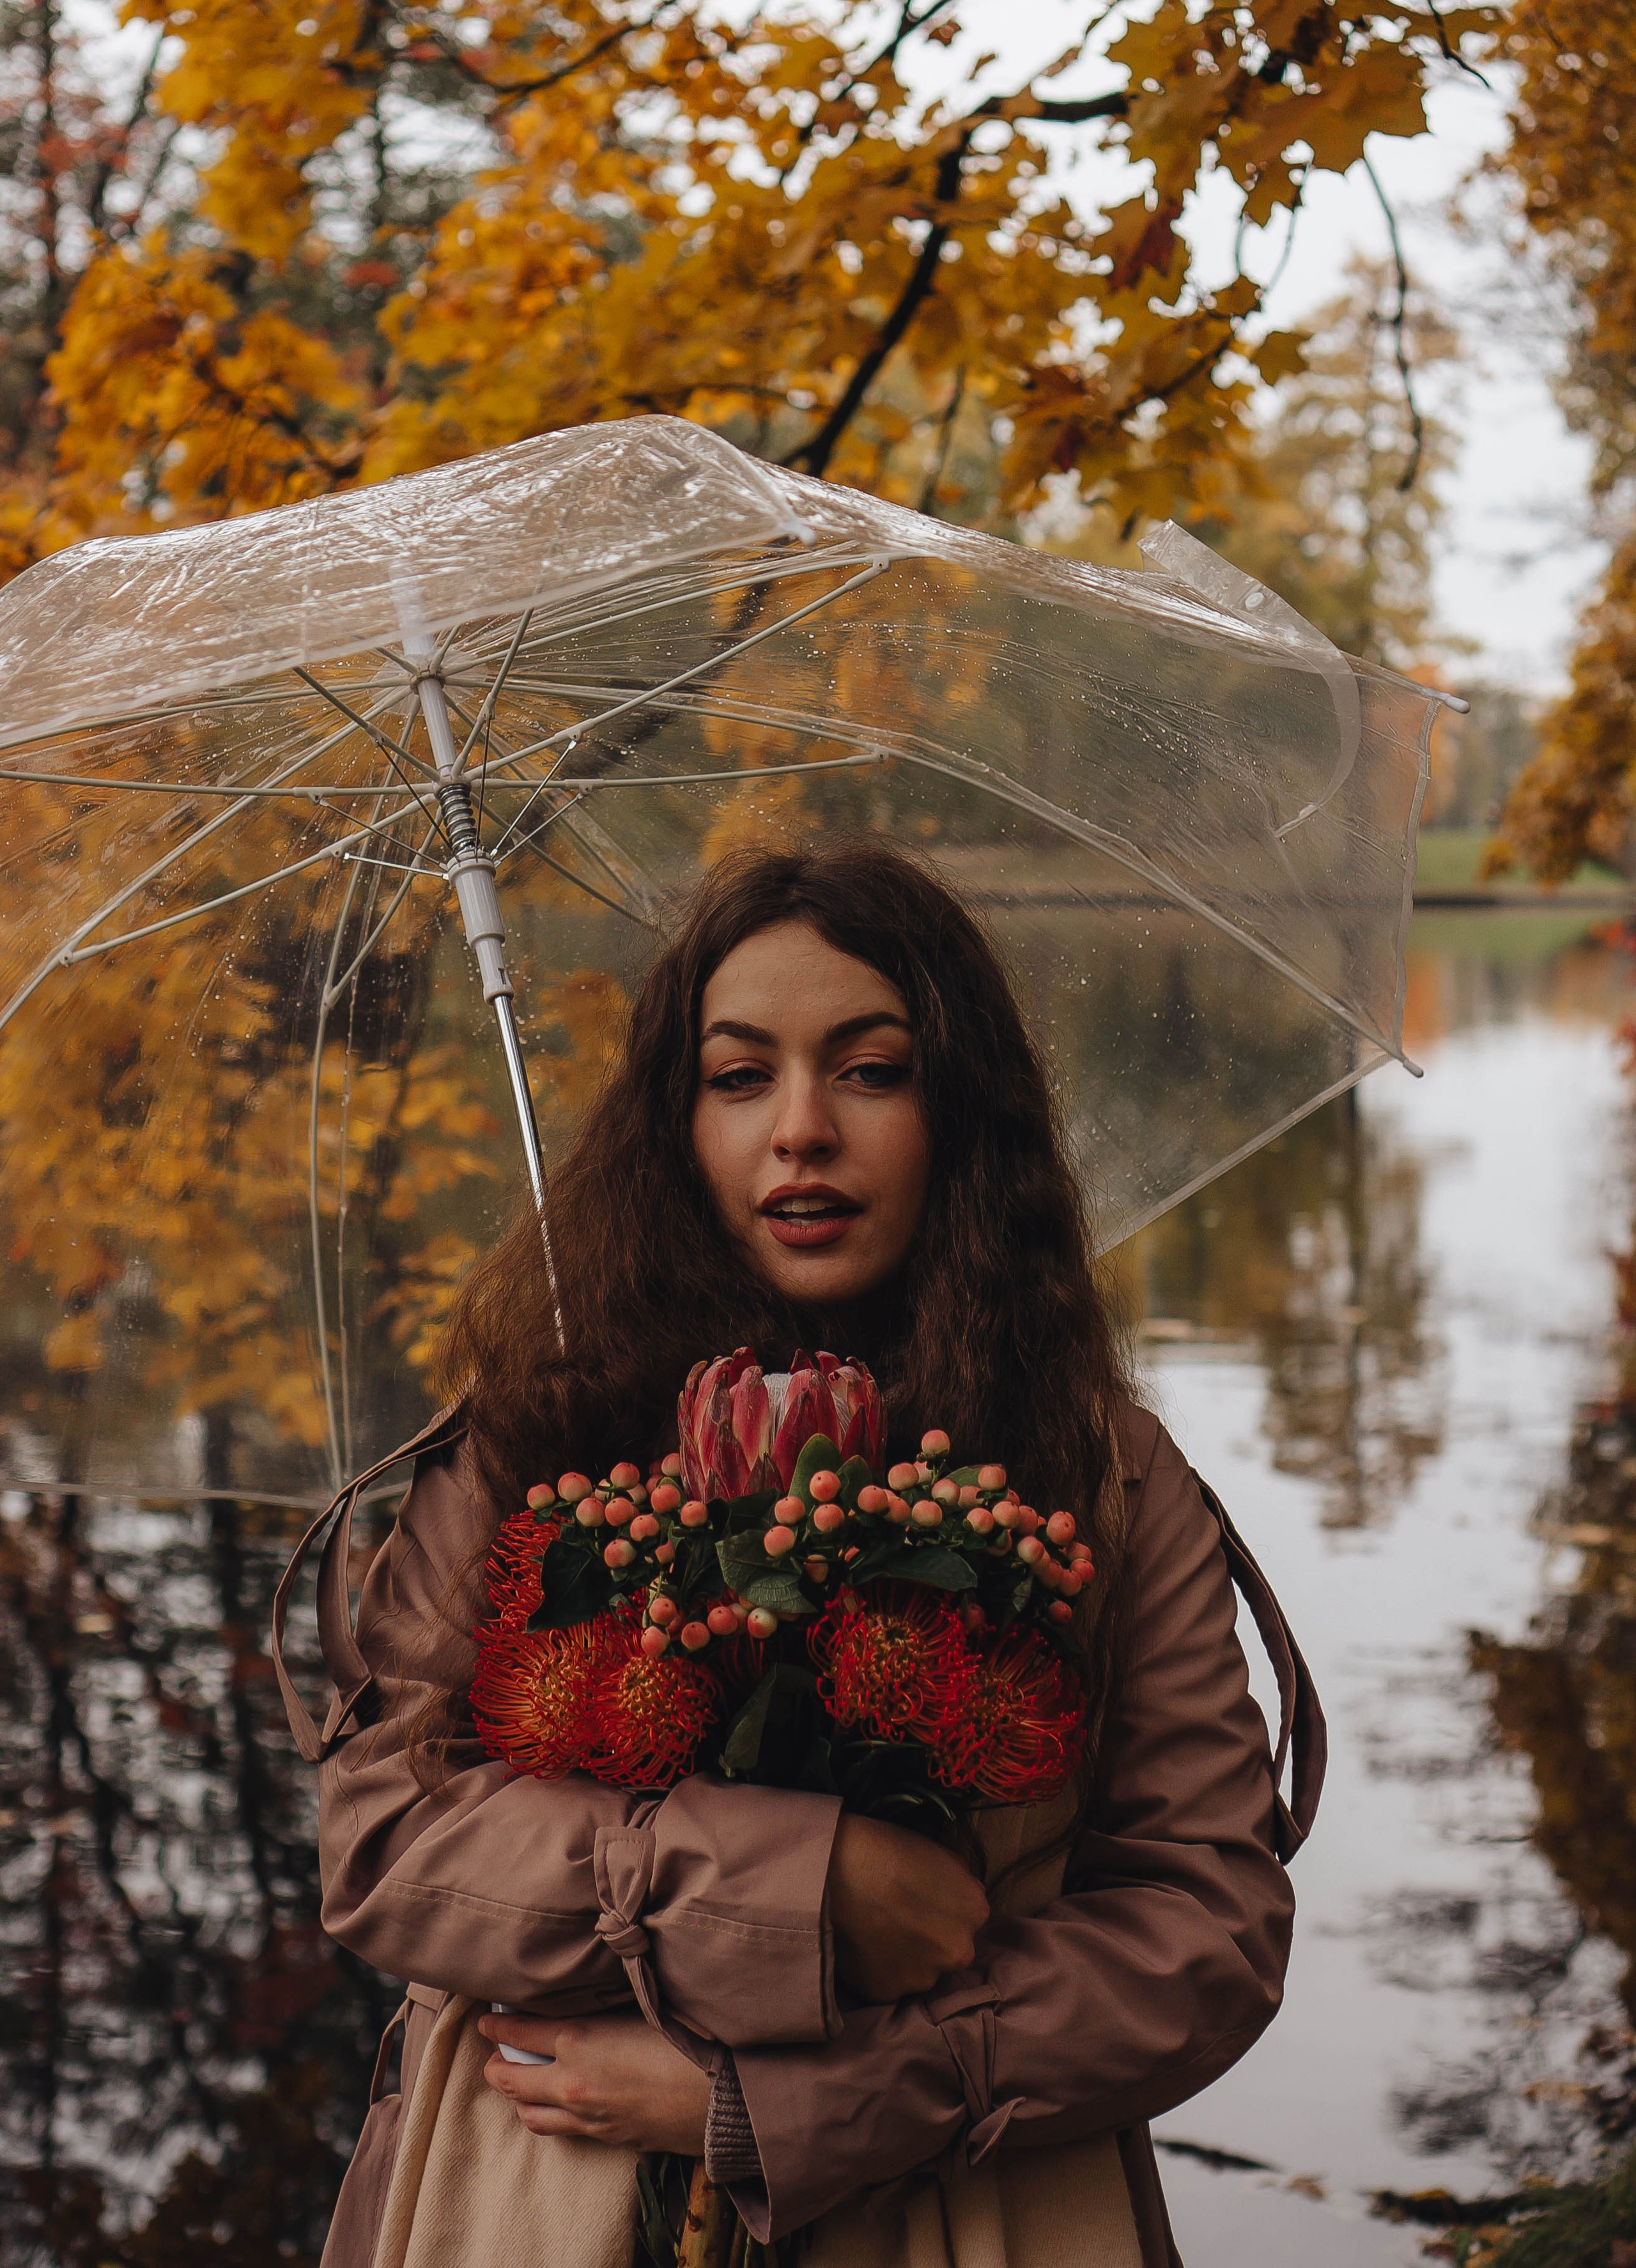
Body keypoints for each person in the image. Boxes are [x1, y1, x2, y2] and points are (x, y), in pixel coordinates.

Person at [274, 840, 1323, 2268]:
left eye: (871, 1070)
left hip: (963, 2209)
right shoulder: (532, 1433)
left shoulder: (1097, 1469)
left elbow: (1203, 1926)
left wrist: (786, 2104)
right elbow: (387, 1840)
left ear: (958, 1115)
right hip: (538, 2192)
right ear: (676, 1123)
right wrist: (790, 1886)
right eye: (738, 1076)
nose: (801, 1131)